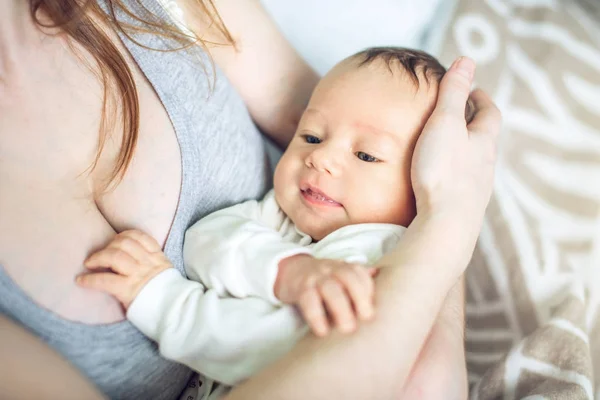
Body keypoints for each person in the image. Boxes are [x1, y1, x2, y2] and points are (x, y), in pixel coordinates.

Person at [0, 0, 501, 399]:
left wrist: (162, 298)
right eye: (309, 136)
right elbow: (210, 239)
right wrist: (289, 272)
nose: (321, 159)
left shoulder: (377, 256)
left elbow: (272, 348)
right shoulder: (284, 220)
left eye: (367, 156)